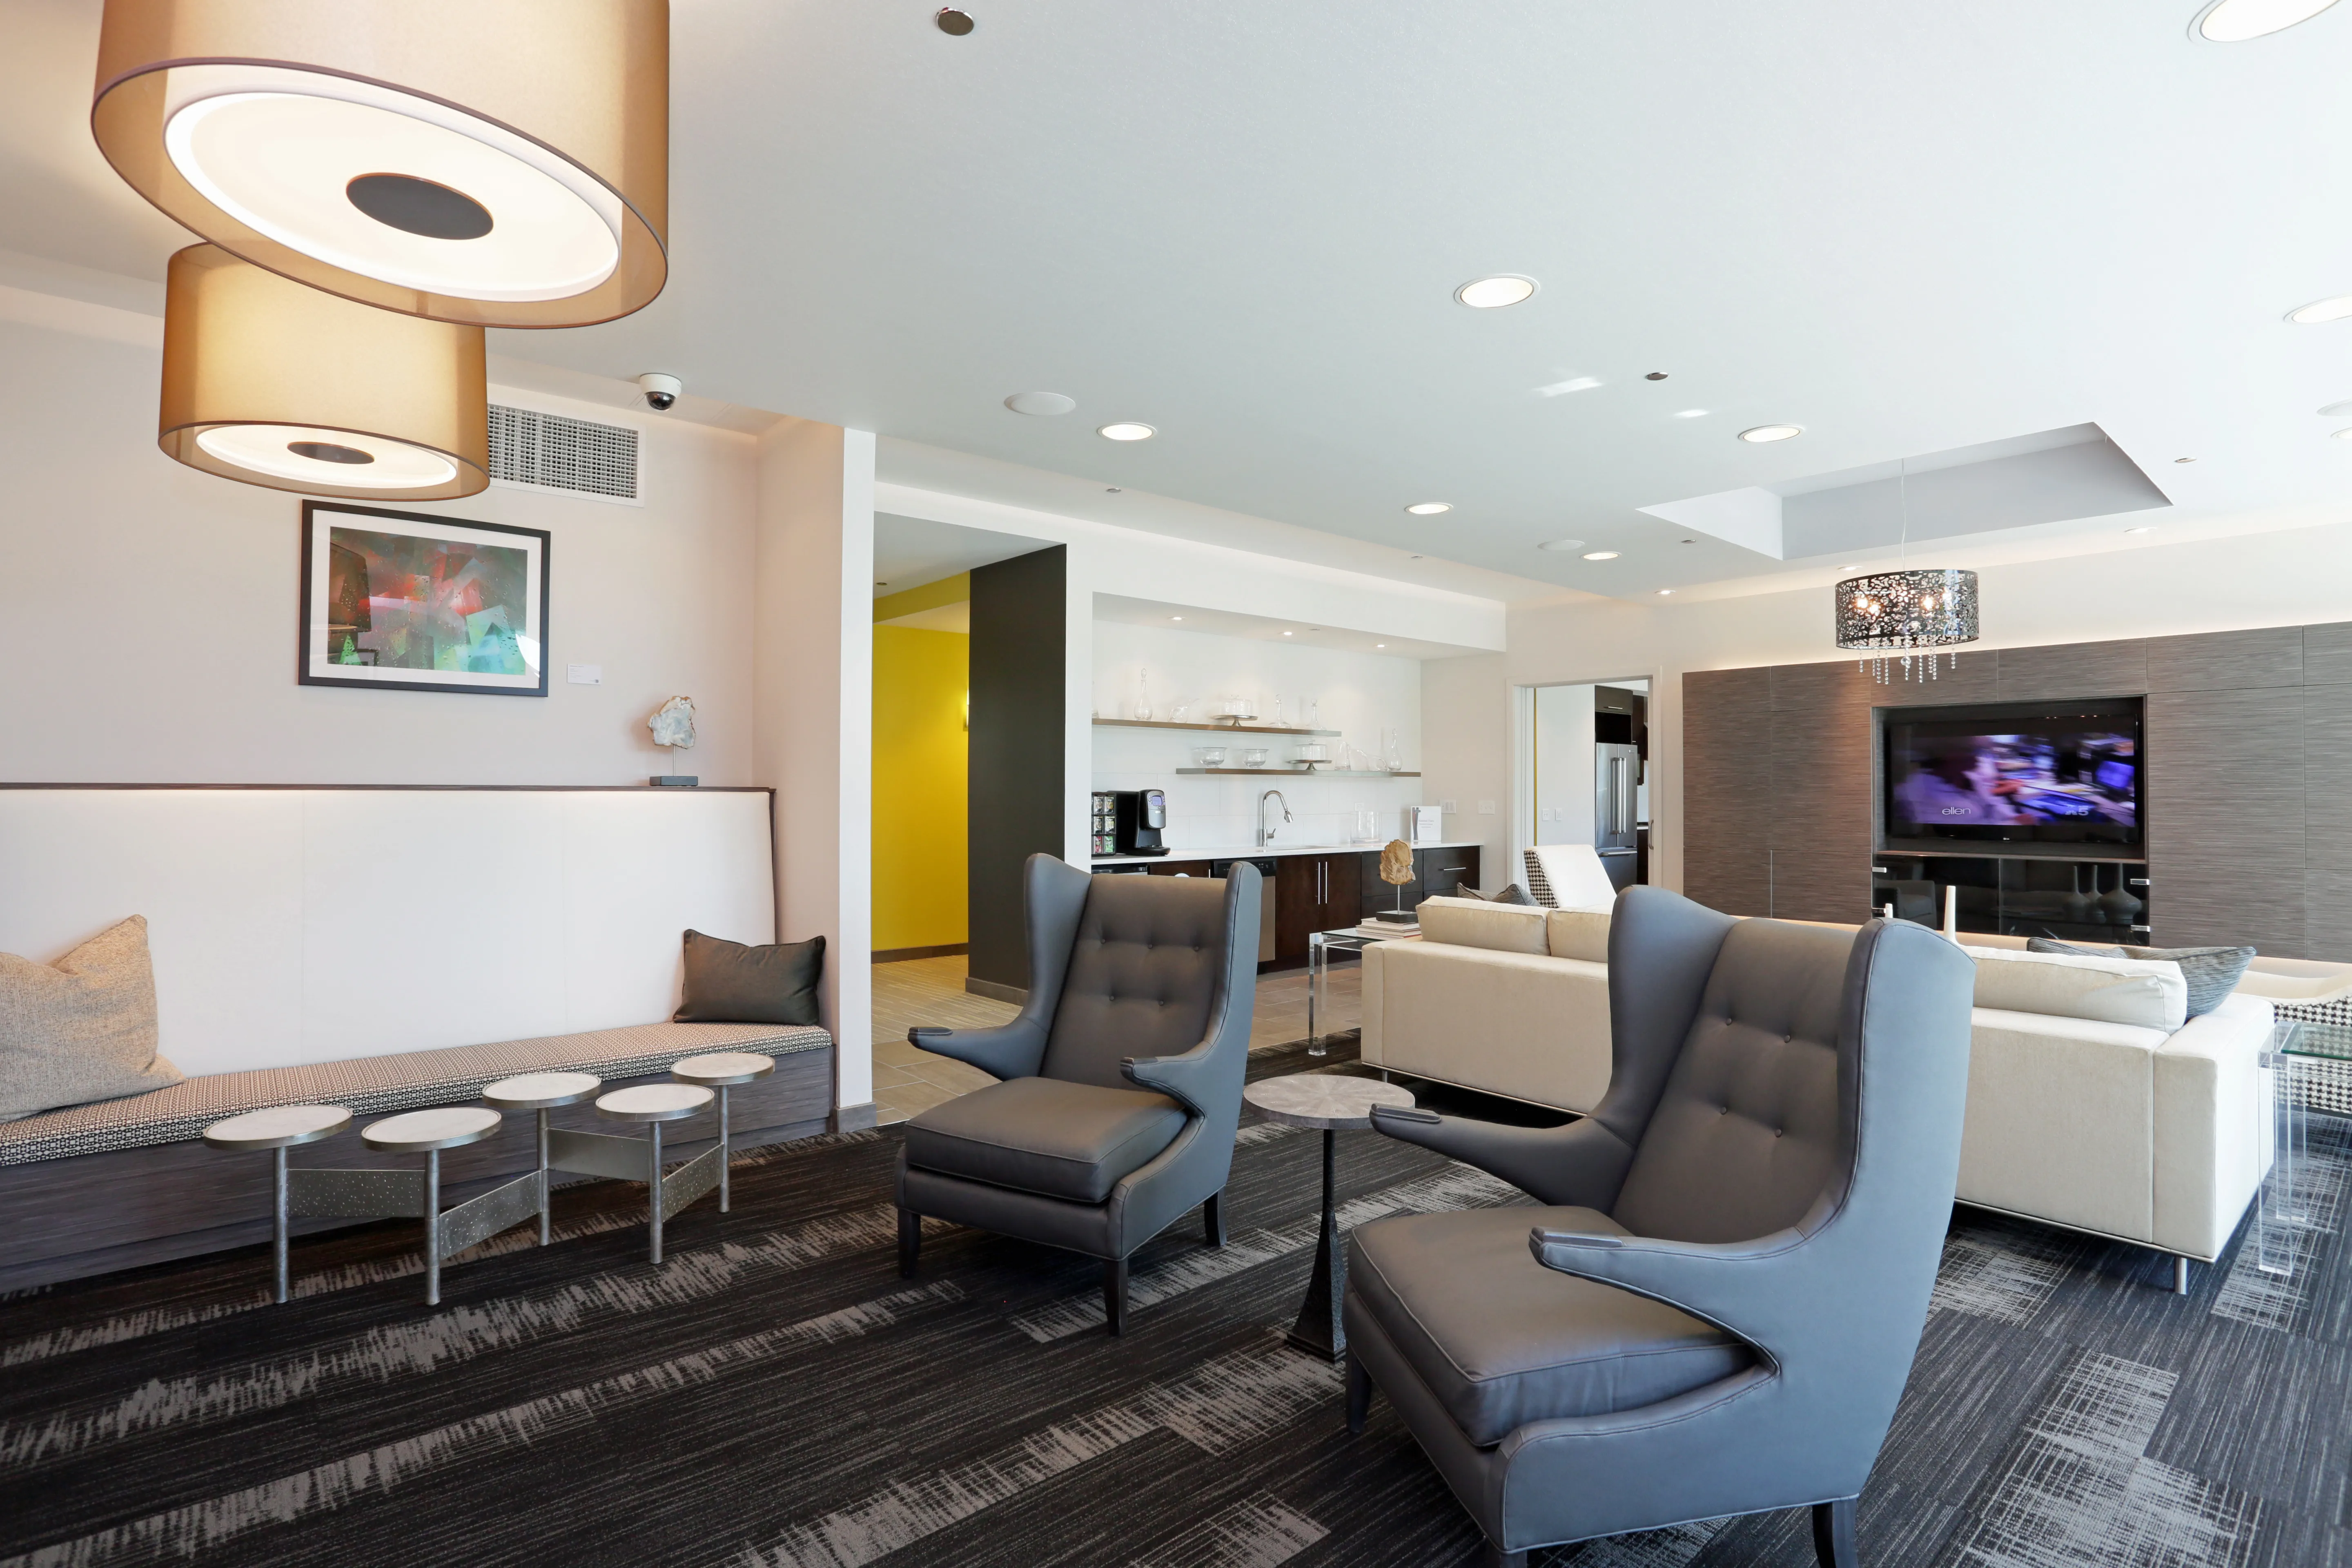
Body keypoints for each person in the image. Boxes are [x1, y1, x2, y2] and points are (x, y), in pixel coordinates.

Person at [1897, 738, 2022, 825]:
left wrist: (2014, 818)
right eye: (1970, 751)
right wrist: (2015, 824)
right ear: (1948, 755)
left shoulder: (1970, 778)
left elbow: (1992, 804)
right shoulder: (1920, 791)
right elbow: (1966, 832)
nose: (1976, 757)